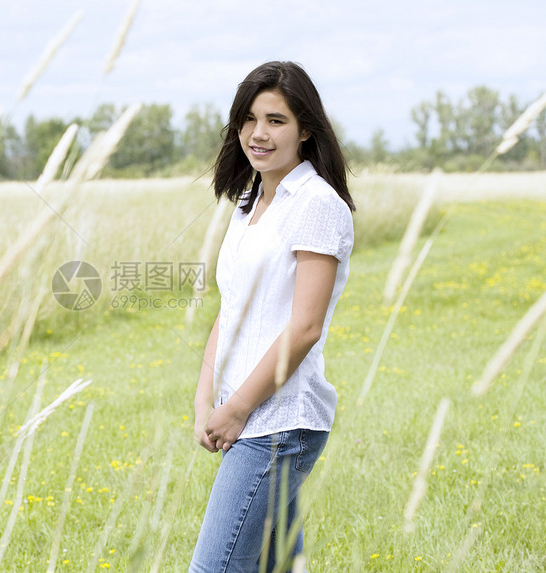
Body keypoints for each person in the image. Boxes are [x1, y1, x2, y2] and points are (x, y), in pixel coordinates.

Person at [190, 61, 356, 572]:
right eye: (250, 119)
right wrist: (205, 397)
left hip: (279, 424)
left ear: (306, 129)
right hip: (247, 412)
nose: (259, 134)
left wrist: (238, 408)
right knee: (281, 565)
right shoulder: (249, 202)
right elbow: (232, 305)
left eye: (277, 121)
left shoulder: (316, 205)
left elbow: (305, 327)